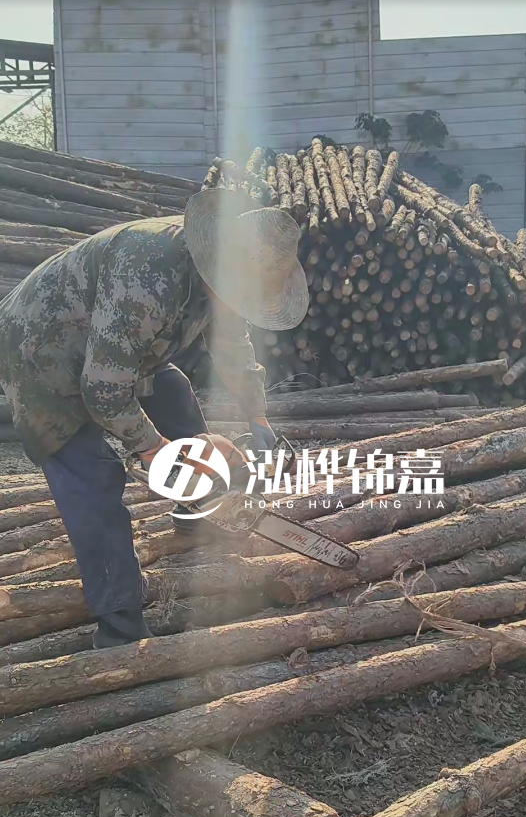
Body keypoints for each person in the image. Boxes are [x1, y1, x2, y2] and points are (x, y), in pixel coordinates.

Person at [0, 189, 308, 648]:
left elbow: (232, 347)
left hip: (110, 345)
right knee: (93, 477)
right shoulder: (146, 278)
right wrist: (156, 451)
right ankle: (119, 624)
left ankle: (196, 510)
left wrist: (258, 418)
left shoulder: (227, 270)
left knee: (175, 394)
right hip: (40, 351)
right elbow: (103, 389)